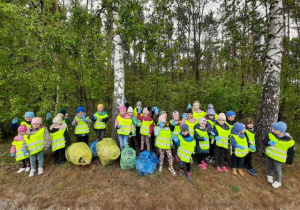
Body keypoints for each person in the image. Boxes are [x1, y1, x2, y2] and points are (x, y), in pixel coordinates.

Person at [264, 121, 295, 188]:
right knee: (270, 166)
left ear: (281, 131)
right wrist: (268, 142)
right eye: (273, 129)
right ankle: (270, 175)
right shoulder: (270, 135)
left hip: (279, 158)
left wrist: (289, 162)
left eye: (275, 129)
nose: (273, 130)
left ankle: (278, 181)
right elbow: (265, 141)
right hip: (269, 155)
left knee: (277, 169)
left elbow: (291, 153)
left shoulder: (290, 141)